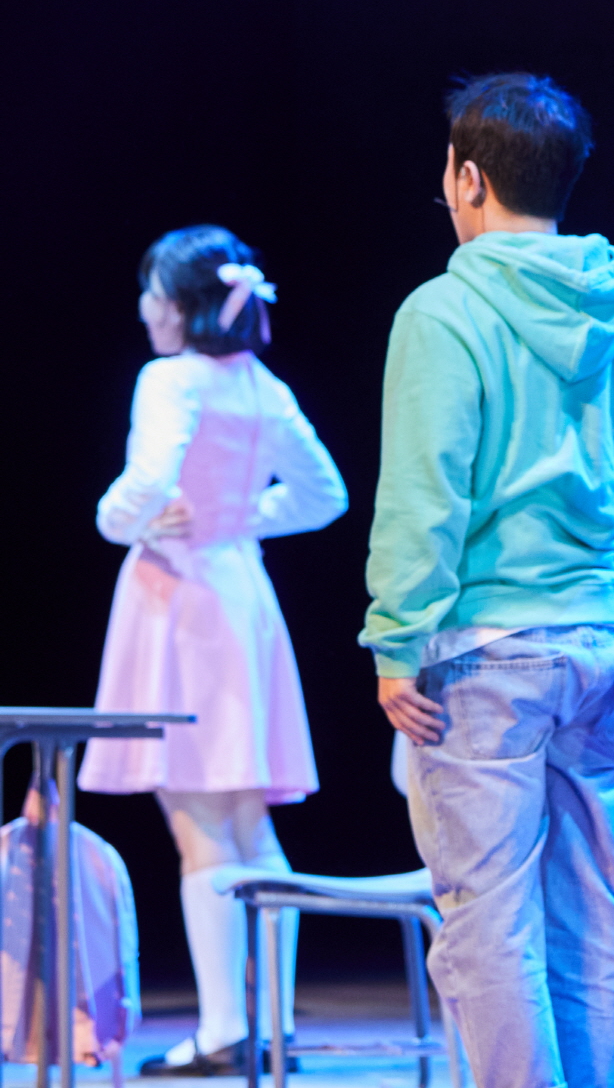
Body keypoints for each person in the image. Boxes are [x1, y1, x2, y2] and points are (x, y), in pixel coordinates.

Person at [362, 73, 614, 1087]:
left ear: (467, 178)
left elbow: (425, 491)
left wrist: (396, 636)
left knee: (488, 917)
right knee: (591, 912)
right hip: (603, 646)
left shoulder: (445, 311)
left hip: (487, 650)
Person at [80, 226, 346, 1076]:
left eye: (152, 291)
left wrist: (119, 518)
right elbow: (325, 493)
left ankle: (227, 1029)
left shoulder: (170, 379)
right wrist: (240, 517)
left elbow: (147, 478)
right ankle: (270, 1027)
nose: (144, 307)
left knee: (202, 825)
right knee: (247, 826)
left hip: (183, 602)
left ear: (182, 304)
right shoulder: (262, 386)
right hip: (241, 593)